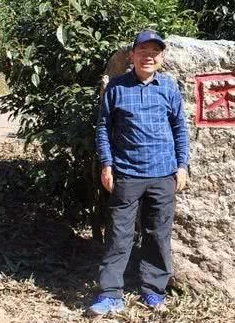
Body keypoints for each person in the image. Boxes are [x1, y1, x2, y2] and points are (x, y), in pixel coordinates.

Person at [87, 30, 189, 317]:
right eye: (143, 50)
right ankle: (110, 294)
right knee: (119, 235)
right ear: (131, 55)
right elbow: (104, 129)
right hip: (127, 174)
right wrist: (106, 164)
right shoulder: (117, 88)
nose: (149, 56)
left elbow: (180, 129)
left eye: (155, 51)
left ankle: (154, 291)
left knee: (157, 234)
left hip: (163, 175)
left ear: (162, 58)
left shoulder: (168, 87)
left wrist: (182, 165)